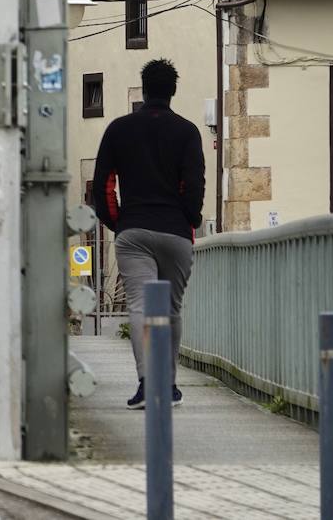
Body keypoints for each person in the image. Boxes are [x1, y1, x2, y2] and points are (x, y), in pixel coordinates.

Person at [92, 58, 205, 410]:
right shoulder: (187, 131)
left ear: (144, 89)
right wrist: (188, 218)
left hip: (134, 231)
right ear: (173, 90)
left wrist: (117, 222)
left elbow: (103, 185)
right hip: (175, 232)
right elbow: (194, 185)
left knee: (140, 306)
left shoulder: (118, 129)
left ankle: (146, 383)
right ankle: (168, 387)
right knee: (171, 309)